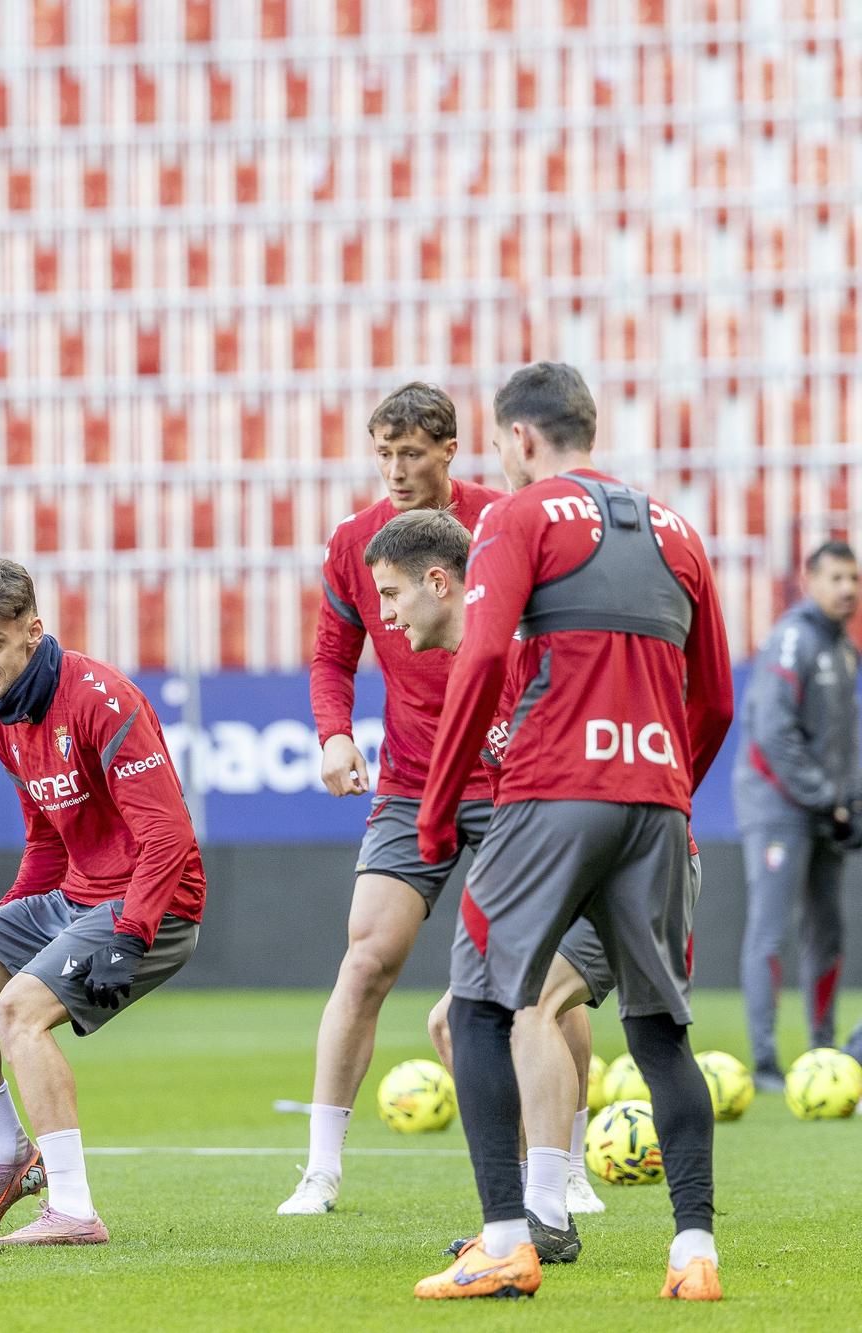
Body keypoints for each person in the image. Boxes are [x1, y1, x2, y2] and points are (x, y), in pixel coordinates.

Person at [413, 363, 733, 1302]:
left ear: (519, 438)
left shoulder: (518, 517)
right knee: (661, 1033)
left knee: (477, 1007)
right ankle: (695, 1253)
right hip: (659, 802)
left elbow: (481, 658)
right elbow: (716, 698)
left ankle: (507, 1240)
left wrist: (439, 806)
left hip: (552, 791)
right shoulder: (680, 532)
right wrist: (667, 788)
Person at [364, 509, 657, 1261]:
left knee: (524, 1005)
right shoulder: (479, 669)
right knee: (453, 1023)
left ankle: (549, 1210)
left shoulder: (531, 653)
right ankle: (533, 1199)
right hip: (569, 872)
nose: (385, 617)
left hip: (619, 865)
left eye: (391, 594)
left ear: (438, 581)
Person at [0, 559, 204, 1246]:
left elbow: (169, 837)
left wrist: (131, 934)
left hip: (155, 902)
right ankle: (12, 1158)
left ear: (33, 631)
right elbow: (46, 840)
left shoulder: (102, 699)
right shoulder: (4, 720)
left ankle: (73, 1210)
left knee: (18, 1010)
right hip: (72, 898)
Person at [280, 383, 517, 1216]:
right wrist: (334, 734)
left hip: (511, 777)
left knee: (532, 972)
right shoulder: (356, 543)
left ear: (450, 450)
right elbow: (330, 656)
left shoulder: (504, 522)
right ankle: (320, 1169)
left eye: (411, 452)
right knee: (366, 959)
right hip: (414, 779)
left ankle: (560, 1171)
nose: (395, 469)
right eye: (383, 453)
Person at [732, 540, 861, 1090]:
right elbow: (773, 733)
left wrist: (851, 798)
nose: (847, 589)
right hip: (777, 805)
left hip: (824, 807)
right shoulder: (792, 638)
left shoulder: (844, 647)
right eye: (836, 578)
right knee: (771, 928)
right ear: (810, 580)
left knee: (827, 931)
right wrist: (826, 797)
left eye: (854, 579)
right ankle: (765, 1063)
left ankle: (823, 1053)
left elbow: (844, 738)